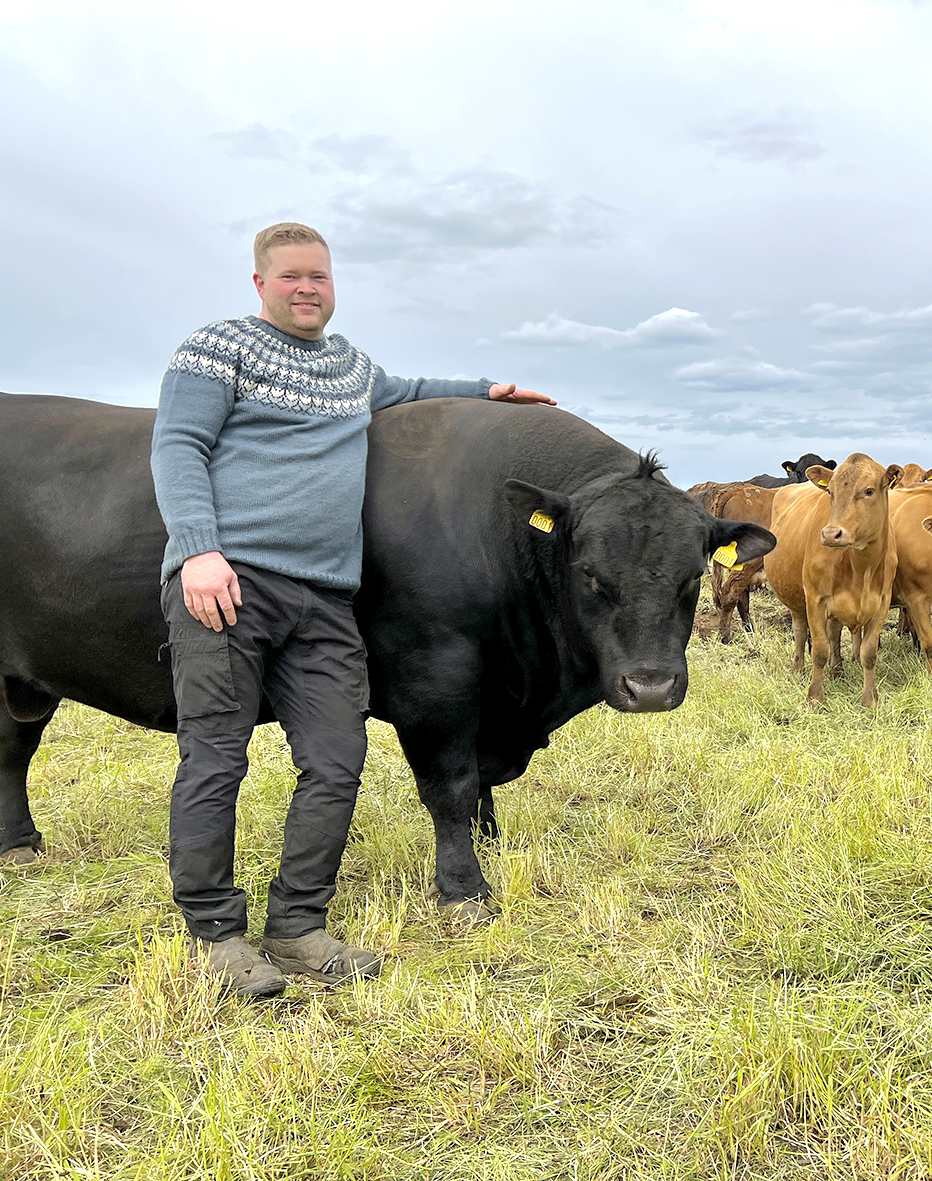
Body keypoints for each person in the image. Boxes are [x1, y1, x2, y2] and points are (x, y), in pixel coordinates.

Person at [150, 221, 555, 998]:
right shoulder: (216, 347)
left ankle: (298, 926)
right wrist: (198, 548)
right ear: (261, 282)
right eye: (293, 275)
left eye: (322, 277)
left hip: (326, 597)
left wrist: (488, 392)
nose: (309, 288)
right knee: (216, 758)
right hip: (229, 581)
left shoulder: (346, 366)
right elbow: (177, 446)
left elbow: (404, 392)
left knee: (337, 761)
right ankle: (215, 936)